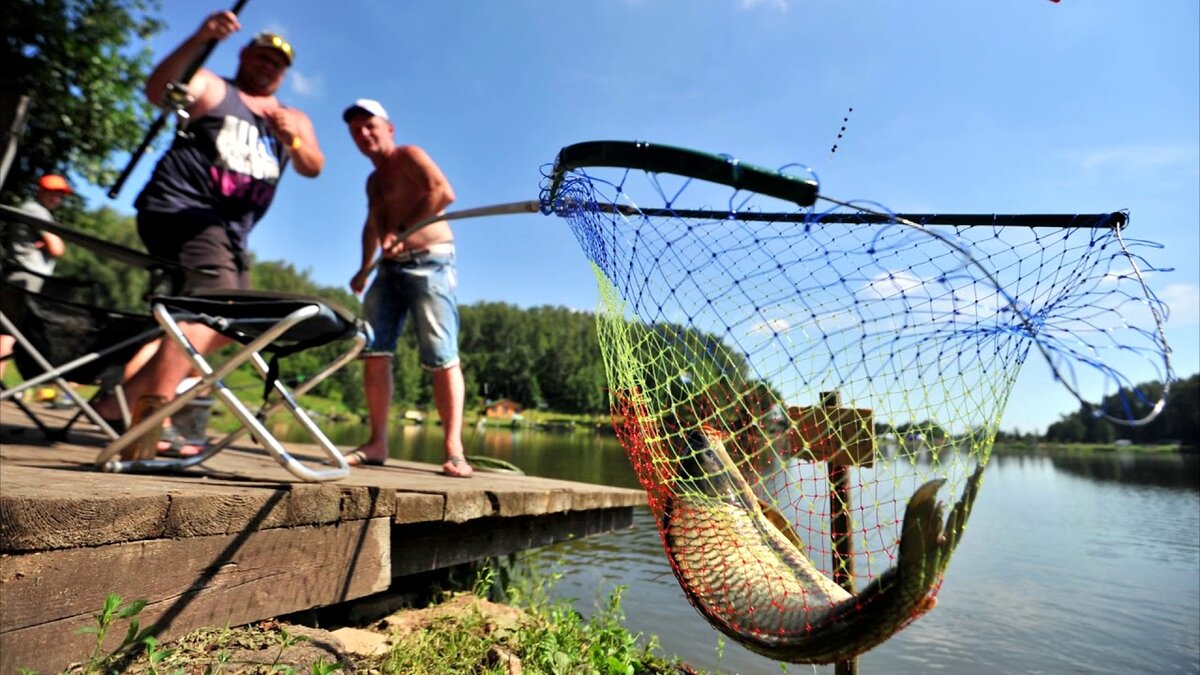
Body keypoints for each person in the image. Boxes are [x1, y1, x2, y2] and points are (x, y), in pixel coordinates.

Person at [93, 8, 323, 447]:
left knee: (237, 323)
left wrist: (292, 137)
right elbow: (158, 90)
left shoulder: (291, 117)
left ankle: (119, 400)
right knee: (209, 310)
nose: (267, 65)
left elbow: (313, 166)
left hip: (233, 235)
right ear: (243, 56)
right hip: (184, 210)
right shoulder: (215, 86)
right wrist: (199, 38)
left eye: (277, 63)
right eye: (261, 56)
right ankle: (145, 424)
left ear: (285, 73)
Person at [342, 99, 471, 477]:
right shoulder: (373, 180)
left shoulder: (410, 156)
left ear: (389, 127)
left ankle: (454, 450)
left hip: (431, 262)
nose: (364, 135)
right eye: (356, 131)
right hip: (389, 269)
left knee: (441, 352)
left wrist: (404, 231)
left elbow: (442, 192)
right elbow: (373, 225)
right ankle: (377, 442)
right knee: (373, 348)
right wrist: (364, 269)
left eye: (370, 126)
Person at [0, 174, 69, 378]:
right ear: (41, 191)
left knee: (8, 331)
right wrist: (49, 243)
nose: (57, 198)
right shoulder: (36, 211)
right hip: (28, 277)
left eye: (61, 195)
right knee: (8, 332)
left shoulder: (31, 210)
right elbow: (57, 248)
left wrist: (45, 243)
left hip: (18, 275)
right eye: (53, 193)